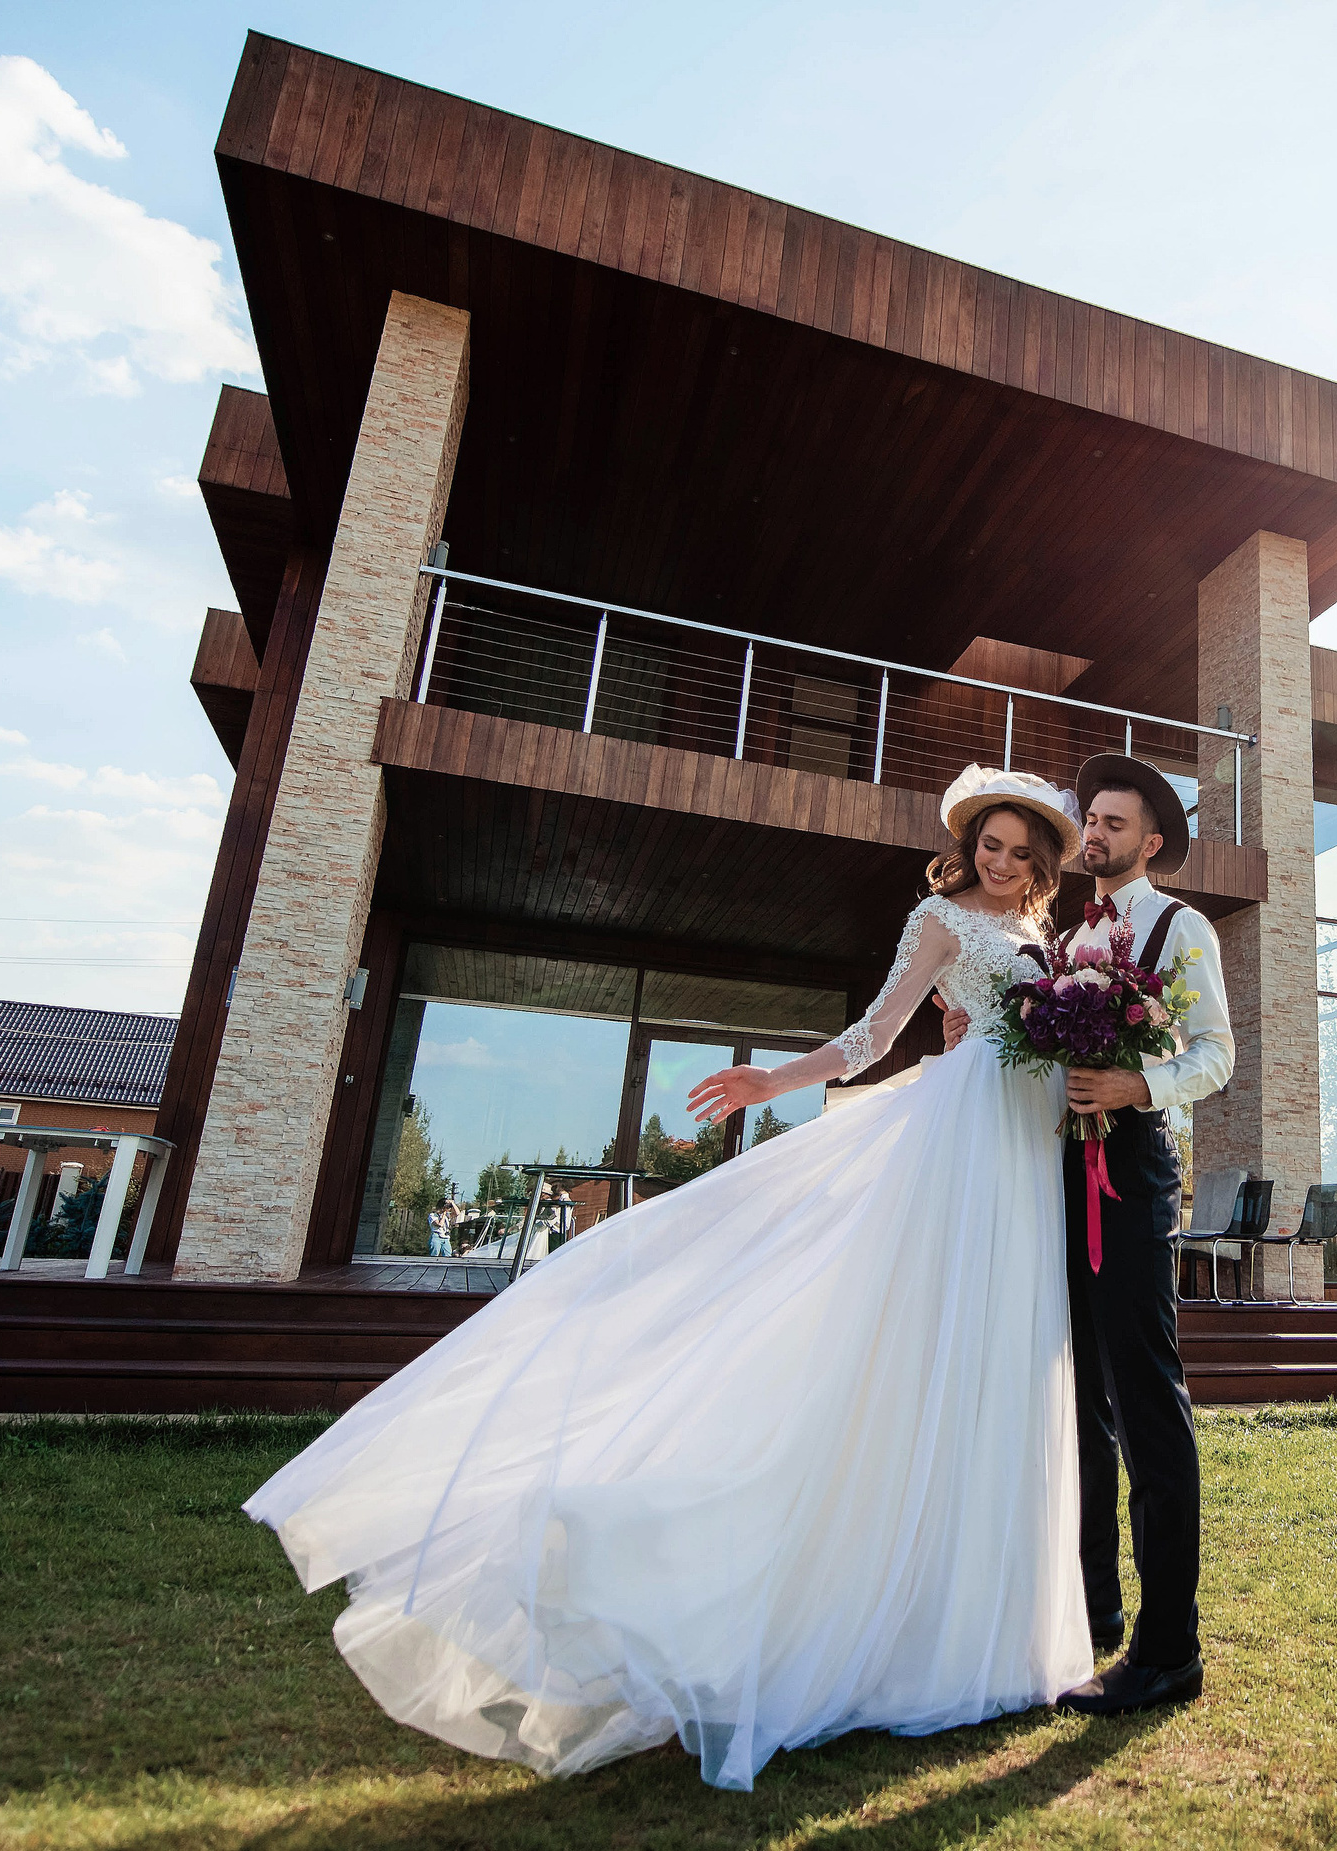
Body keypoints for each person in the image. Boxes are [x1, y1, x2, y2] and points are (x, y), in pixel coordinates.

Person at [243, 767, 1095, 1790]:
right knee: (921, 1353)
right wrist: (771, 1079)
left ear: (1043, 861)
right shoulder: (940, 920)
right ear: (971, 848)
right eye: (988, 846)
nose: (1000, 863)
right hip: (961, 1151)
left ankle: (985, 1629)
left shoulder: (1056, 943)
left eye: (1017, 851)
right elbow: (873, 1035)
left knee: (997, 1366)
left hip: (1027, 1153)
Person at [941, 752, 1233, 1714]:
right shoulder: (1070, 935)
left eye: (1113, 823)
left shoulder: (1178, 927)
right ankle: (1097, 1610)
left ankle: (1169, 1648)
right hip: (1060, 1165)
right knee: (1079, 1400)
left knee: (1145, 1396)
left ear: (1150, 842)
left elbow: (1217, 1051)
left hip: (1136, 1169)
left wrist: (1138, 1084)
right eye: (1091, 819)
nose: (1095, 832)